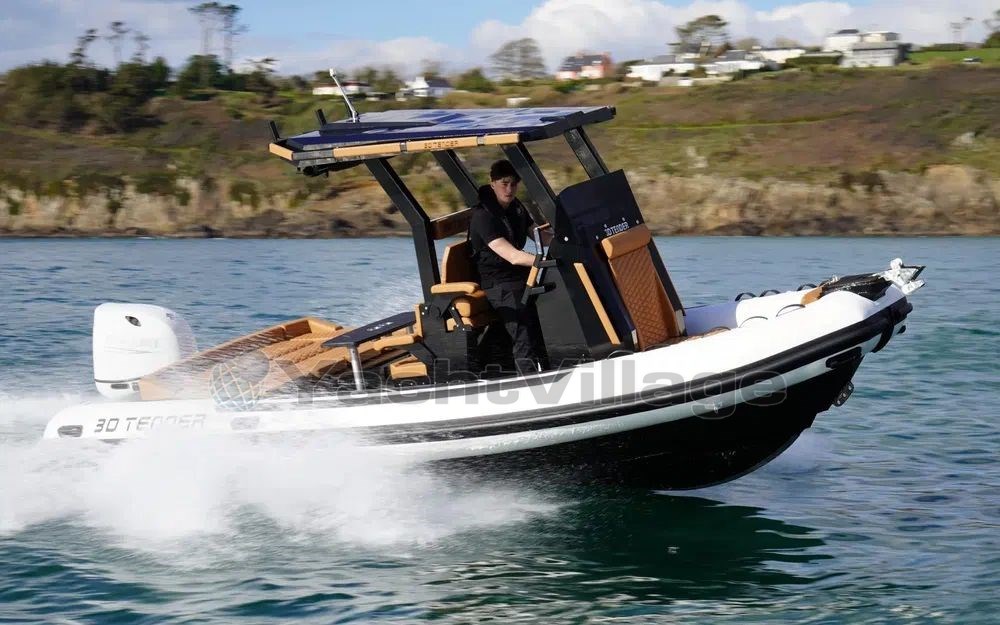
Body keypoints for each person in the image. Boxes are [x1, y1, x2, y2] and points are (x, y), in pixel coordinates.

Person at [468, 159, 549, 375]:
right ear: (492, 183)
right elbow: (512, 256)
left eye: (514, 184)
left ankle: (550, 367)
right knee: (523, 330)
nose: (509, 189)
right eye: (504, 184)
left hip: (519, 277)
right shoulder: (483, 216)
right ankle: (529, 379)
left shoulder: (516, 207)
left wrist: (568, 241)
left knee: (547, 313)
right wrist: (543, 260)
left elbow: (539, 236)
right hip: (498, 283)